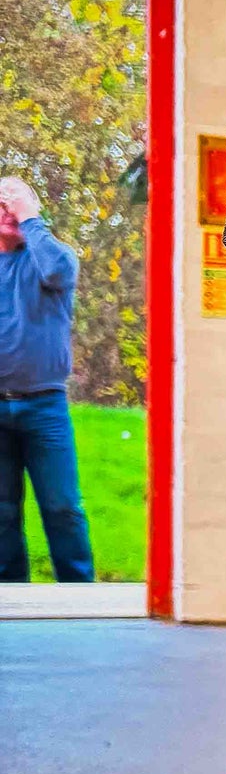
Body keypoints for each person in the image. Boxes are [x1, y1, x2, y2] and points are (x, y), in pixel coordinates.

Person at [0, 173, 95, 583]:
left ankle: (80, 595)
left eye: (16, 204)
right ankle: (9, 595)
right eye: (2, 203)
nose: (9, 211)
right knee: (2, 511)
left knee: (62, 506)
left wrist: (30, 219)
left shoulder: (51, 258)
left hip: (45, 406)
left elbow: (57, 273)